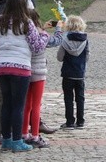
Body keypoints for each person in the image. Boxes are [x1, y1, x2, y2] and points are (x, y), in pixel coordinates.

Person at [0, 0, 49, 152]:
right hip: (20, 67)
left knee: (6, 104)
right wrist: (45, 35)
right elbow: (37, 46)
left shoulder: (2, 22)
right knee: (19, 105)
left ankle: (6, 139)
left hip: (3, 66)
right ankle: (18, 140)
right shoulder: (27, 23)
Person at [21, 11, 64, 148]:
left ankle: (24, 133)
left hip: (26, 70)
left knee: (26, 105)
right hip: (39, 72)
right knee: (36, 105)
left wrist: (43, 28)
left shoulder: (23, 32)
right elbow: (56, 41)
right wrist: (59, 28)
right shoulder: (41, 34)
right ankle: (35, 135)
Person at [57, 15, 89, 129]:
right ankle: (80, 121)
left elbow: (59, 57)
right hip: (80, 73)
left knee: (68, 98)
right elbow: (87, 56)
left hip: (68, 73)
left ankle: (70, 121)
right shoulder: (85, 40)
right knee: (80, 97)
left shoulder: (65, 40)